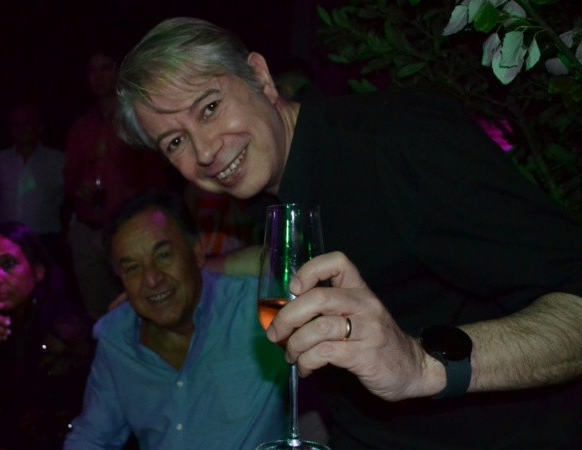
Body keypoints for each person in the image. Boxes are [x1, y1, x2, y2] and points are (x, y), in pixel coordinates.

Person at [114, 17, 582, 449]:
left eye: (210, 108)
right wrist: (202, 270)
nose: (205, 152)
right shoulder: (272, 189)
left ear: (260, 77)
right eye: (175, 142)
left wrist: (422, 364)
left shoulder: (400, 144)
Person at [63, 191, 288, 449]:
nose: (151, 279)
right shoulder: (117, 339)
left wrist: (210, 267)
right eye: (133, 268)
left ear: (197, 252)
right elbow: (91, 437)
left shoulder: (248, 307)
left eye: (163, 256)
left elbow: (299, 258)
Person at [0, 222, 91, 450]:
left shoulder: (61, 329)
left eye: (8, 264)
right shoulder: (1, 323)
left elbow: (42, 430)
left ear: (38, 271)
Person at [64, 49, 181, 320]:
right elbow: (69, 179)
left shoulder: (136, 121)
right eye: (93, 70)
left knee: (136, 308)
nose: (99, 77)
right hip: (88, 230)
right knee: (96, 312)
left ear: (119, 71)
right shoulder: (81, 127)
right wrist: (79, 189)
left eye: (106, 68)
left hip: (129, 232)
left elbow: (157, 180)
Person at [0, 104, 66, 255]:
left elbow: (72, 193)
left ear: (39, 127)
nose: (21, 128)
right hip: (8, 238)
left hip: (44, 238)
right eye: (16, 124)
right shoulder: (1, 160)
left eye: (27, 123)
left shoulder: (56, 160)